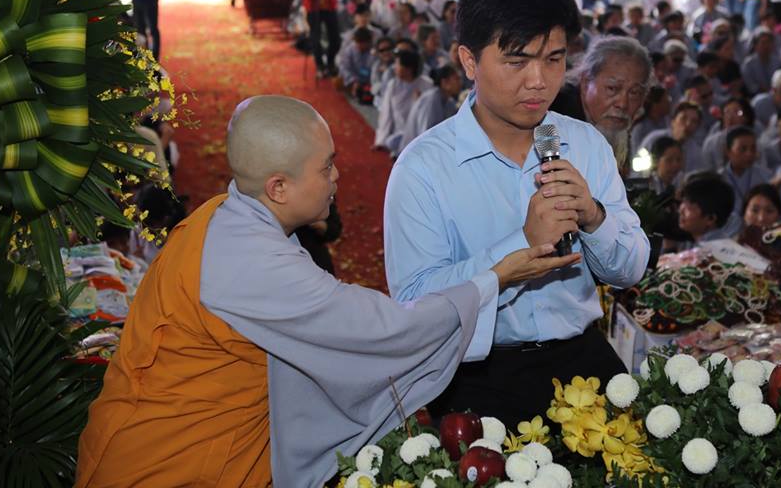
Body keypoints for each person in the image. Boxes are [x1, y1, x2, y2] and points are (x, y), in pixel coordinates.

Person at [76, 96, 573, 487]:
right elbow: (381, 331)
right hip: (167, 466)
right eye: (326, 167)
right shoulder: (253, 261)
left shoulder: (224, 217)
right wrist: (495, 279)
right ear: (278, 188)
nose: (337, 177)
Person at [384, 0, 650, 428]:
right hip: (481, 374)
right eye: (516, 61)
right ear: (469, 61)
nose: (539, 81)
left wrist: (593, 216)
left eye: (554, 59)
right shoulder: (423, 168)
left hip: (584, 358)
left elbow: (629, 270)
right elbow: (414, 305)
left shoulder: (584, 144)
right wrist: (521, 247)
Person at [550, 36, 650, 173]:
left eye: (634, 92)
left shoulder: (614, 127)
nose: (623, 104)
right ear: (586, 83)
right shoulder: (555, 117)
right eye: (612, 88)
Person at [373, 49, 432, 155]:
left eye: (397, 64)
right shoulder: (393, 85)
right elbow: (386, 114)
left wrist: (419, 101)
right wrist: (380, 140)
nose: (394, 68)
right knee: (391, 142)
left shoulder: (427, 84)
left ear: (408, 69)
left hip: (420, 132)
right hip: (399, 133)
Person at [397, 65, 463, 152]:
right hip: (415, 152)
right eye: (456, 79)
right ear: (445, 82)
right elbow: (425, 134)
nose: (460, 83)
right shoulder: (431, 100)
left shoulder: (449, 102)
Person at [677, 174, 736, 245]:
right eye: (683, 201)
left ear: (710, 219)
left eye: (689, 207)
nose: (680, 210)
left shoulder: (713, 249)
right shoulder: (691, 240)